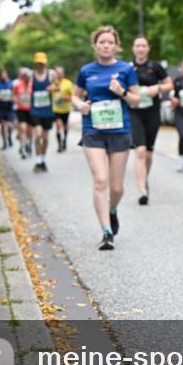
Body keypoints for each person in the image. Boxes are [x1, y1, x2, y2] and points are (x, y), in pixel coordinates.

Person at [72, 26, 140, 251]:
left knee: (117, 188)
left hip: (120, 131)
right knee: (101, 181)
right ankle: (106, 231)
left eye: (110, 42)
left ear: (116, 46)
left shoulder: (125, 69)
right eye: (102, 42)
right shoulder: (86, 71)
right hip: (93, 130)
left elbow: (136, 101)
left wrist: (121, 91)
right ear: (95, 45)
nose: (106, 45)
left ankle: (112, 210)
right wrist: (80, 105)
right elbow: (75, 96)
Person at [130, 36, 173, 203]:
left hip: (152, 113)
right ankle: (142, 190)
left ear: (148, 48)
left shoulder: (155, 67)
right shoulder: (128, 68)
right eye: (137, 46)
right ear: (133, 48)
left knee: (148, 153)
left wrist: (158, 88)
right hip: (134, 112)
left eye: (143, 46)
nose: (140, 49)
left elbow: (170, 84)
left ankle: (144, 180)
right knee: (139, 151)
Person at [30, 53, 56, 172]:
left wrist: (53, 88)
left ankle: (42, 159)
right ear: (35, 63)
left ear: (45, 63)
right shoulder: (31, 75)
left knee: (45, 138)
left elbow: (57, 87)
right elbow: (26, 89)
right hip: (35, 110)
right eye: (38, 63)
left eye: (42, 63)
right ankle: (38, 160)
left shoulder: (51, 74)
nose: (40, 65)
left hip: (48, 111)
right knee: (38, 134)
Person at [52, 65, 74, 152]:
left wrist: (64, 97)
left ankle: (64, 140)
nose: (59, 74)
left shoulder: (68, 83)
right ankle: (59, 145)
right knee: (58, 126)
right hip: (56, 109)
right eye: (57, 73)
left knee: (65, 126)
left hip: (66, 109)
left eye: (60, 73)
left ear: (63, 74)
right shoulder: (52, 83)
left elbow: (72, 96)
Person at [13, 68, 33, 159]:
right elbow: (13, 95)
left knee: (29, 130)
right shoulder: (18, 85)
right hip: (21, 109)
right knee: (23, 128)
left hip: (31, 110)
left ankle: (29, 143)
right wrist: (16, 100)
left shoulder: (32, 85)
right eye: (24, 76)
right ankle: (23, 147)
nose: (26, 78)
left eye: (27, 76)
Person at [0, 68, 16, 149]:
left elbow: (15, 95)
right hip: (0, 108)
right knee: (3, 126)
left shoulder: (11, 84)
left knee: (10, 126)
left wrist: (12, 98)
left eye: (4, 74)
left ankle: (9, 136)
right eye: (1, 74)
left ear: (7, 74)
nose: (3, 75)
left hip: (9, 108)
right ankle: (4, 142)